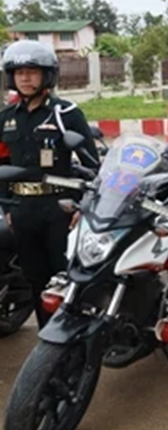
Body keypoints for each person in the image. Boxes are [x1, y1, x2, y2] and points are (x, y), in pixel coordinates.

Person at [0, 41, 98, 328]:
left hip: (60, 209)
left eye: (32, 72)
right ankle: (47, 340)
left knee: (64, 279)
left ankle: (71, 341)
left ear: (48, 76)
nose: (25, 78)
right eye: (19, 73)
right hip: (22, 210)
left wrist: (84, 204)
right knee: (36, 280)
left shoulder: (65, 113)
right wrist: (6, 205)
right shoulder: (5, 120)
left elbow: (92, 164)